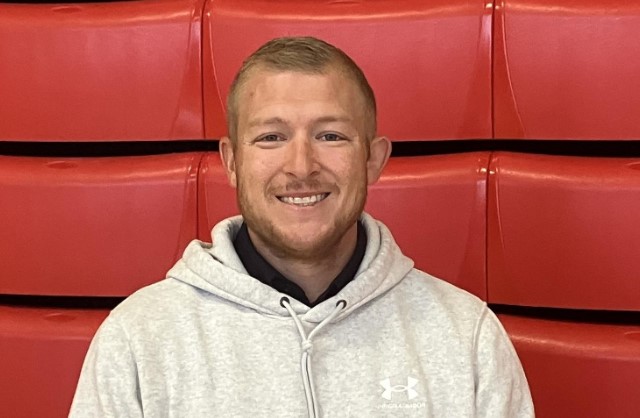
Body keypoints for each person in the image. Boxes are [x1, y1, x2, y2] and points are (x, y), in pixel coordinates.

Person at [70, 36, 534, 417]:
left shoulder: (465, 337)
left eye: (330, 135)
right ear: (232, 162)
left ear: (373, 160)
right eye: (271, 137)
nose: (301, 166)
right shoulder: (139, 338)